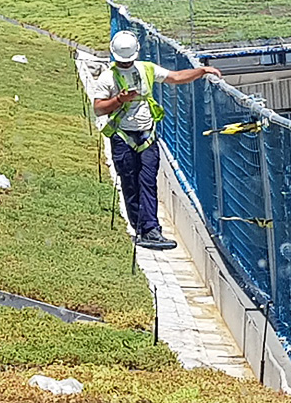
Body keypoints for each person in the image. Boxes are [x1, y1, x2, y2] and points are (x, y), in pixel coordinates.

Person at [92, 28, 220, 251]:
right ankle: (141, 229)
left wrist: (201, 71)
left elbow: (175, 77)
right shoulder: (107, 78)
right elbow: (99, 108)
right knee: (130, 184)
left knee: (148, 182)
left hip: (147, 135)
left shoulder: (146, 70)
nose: (126, 64)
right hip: (123, 138)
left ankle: (152, 230)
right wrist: (120, 100)